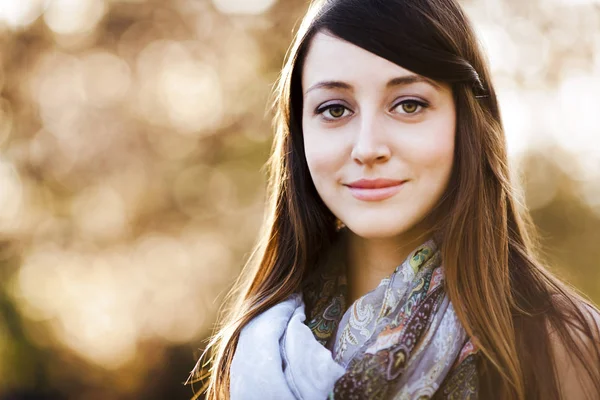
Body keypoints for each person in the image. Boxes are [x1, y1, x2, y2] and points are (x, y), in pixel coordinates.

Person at [189, 0, 600, 398]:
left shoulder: (560, 342)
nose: (368, 147)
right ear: (299, 133)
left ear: (467, 122)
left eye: (408, 104)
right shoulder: (258, 355)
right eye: (334, 110)